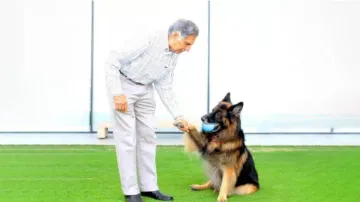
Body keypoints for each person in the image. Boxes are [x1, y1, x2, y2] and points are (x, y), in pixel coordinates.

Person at [104, 19, 199, 202]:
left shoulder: (173, 55)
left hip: (146, 89)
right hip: (123, 85)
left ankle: (149, 187)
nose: (188, 49)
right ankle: (131, 191)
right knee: (126, 139)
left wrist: (178, 116)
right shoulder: (148, 38)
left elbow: (165, 86)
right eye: (187, 44)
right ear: (175, 35)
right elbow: (112, 61)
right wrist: (117, 93)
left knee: (148, 136)